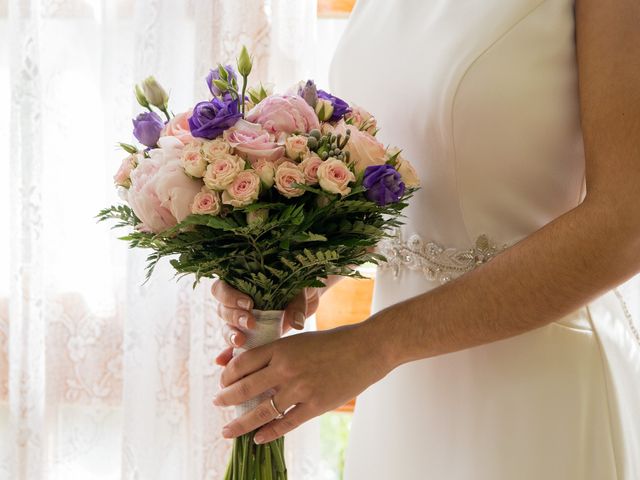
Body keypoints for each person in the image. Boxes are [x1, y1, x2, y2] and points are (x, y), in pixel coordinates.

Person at [211, 0, 640, 478]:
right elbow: (410, 178)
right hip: (398, 393)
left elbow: (627, 224)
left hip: (534, 394)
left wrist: (375, 345)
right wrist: (300, 270)